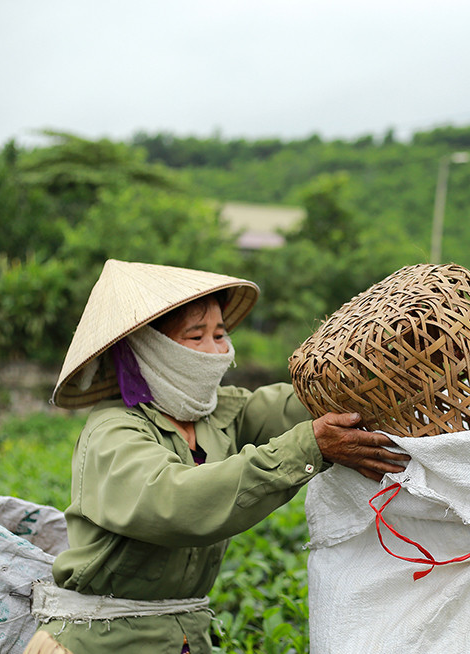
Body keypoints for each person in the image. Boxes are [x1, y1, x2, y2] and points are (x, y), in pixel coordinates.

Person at [30, 259, 408, 654]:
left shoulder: (216, 413)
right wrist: (309, 447)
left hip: (184, 637)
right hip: (102, 642)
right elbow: (177, 502)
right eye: (197, 337)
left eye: (220, 333)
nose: (218, 350)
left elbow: (291, 407)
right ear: (151, 350)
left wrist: (377, 374)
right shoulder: (113, 433)